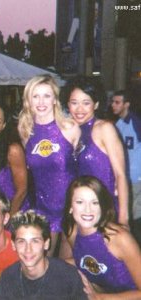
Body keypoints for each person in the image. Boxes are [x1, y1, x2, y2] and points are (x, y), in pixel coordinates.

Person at [17, 74, 81, 256]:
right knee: (45, 263)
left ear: (55, 99)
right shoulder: (25, 131)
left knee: (71, 268)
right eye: (35, 96)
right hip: (44, 210)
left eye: (46, 95)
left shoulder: (70, 128)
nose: (41, 101)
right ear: (28, 100)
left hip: (71, 210)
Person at [64, 76, 129, 227]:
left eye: (86, 103)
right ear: (68, 104)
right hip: (81, 211)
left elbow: (120, 175)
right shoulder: (70, 131)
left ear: (96, 104)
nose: (79, 109)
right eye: (74, 103)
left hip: (105, 210)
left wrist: (124, 219)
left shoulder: (104, 128)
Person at [63, 176, 141, 299]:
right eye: (80, 202)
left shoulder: (119, 238)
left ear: (102, 207)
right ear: (70, 207)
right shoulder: (72, 232)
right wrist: (49, 263)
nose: (88, 209)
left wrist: (100, 297)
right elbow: (84, 260)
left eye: (95, 202)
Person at [0, 210, 87, 300]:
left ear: (46, 244)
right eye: (21, 242)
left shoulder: (68, 277)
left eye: (35, 241)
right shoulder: (7, 278)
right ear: (13, 245)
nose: (28, 249)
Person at [111, 90, 141, 245]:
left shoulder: (135, 122)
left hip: (137, 177)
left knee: (135, 216)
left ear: (126, 104)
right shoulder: (118, 124)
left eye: (117, 102)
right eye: (113, 102)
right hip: (124, 177)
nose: (113, 105)